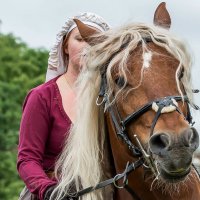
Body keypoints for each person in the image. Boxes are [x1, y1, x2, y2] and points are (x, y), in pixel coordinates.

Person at [17, 12, 110, 200]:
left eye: (95, 41)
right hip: (50, 193)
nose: (87, 47)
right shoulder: (42, 97)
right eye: (80, 39)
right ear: (65, 46)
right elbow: (27, 160)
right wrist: (49, 190)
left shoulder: (110, 99)